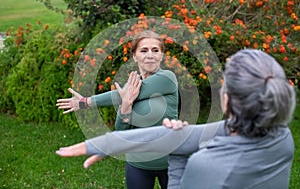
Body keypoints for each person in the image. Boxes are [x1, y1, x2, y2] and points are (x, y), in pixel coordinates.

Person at [56, 49, 296, 189]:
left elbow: (184, 149)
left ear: (227, 101)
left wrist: (177, 152)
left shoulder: (208, 166)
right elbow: (194, 135)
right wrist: (112, 142)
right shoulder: (280, 136)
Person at [56, 30, 179, 189]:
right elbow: (120, 130)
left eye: (155, 50)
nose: (150, 55)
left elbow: (124, 94)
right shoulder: (128, 90)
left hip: (170, 162)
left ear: (161, 55)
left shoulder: (167, 78)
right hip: (137, 162)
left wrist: (85, 102)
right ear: (134, 56)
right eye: (144, 50)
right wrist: (126, 105)